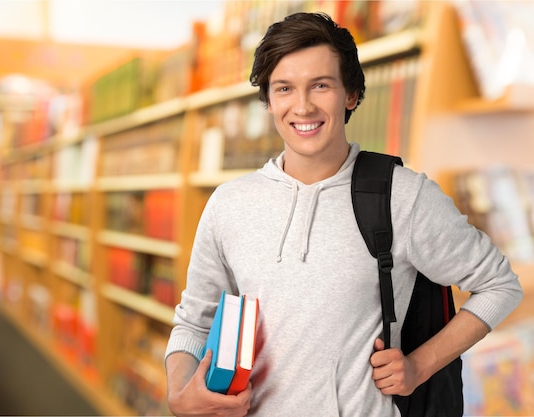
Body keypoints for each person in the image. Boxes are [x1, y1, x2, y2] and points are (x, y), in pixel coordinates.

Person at [164, 11, 523, 417]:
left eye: (320, 85)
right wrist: (180, 392)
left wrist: (418, 367)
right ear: (268, 100)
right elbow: (194, 323)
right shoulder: (228, 204)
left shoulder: (402, 195)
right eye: (284, 88)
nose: (302, 106)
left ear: (350, 94)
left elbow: (500, 285)